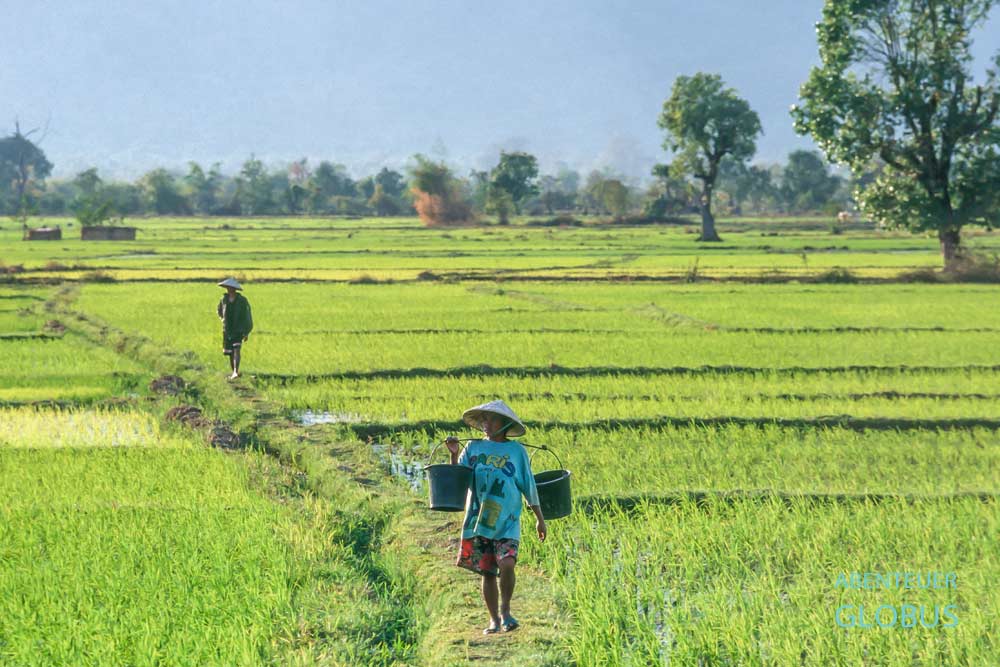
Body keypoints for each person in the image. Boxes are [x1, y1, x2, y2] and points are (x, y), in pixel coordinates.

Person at [445, 399, 547, 635]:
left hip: (507, 520)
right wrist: (454, 455)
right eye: (484, 419)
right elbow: (459, 478)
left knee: (507, 563)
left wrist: (539, 519)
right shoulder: (473, 448)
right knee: (488, 571)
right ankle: (493, 620)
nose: (486, 423)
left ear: (504, 424)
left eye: (491, 419)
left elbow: (529, 486)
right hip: (478, 519)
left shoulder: (516, 452)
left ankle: (506, 611)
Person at [216, 277, 253, 379]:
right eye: (228, 287)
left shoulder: (242, 300)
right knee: (230, 352)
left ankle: (236, 371)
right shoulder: (223, 300)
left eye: (231, 288)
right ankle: (234, 372)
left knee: (237, 349)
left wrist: (246, 331)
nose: (229, 289)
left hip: (239, 329)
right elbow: (219, 311)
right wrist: (223, 320)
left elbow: (247, 315)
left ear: (234, 289)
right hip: (228, 329)